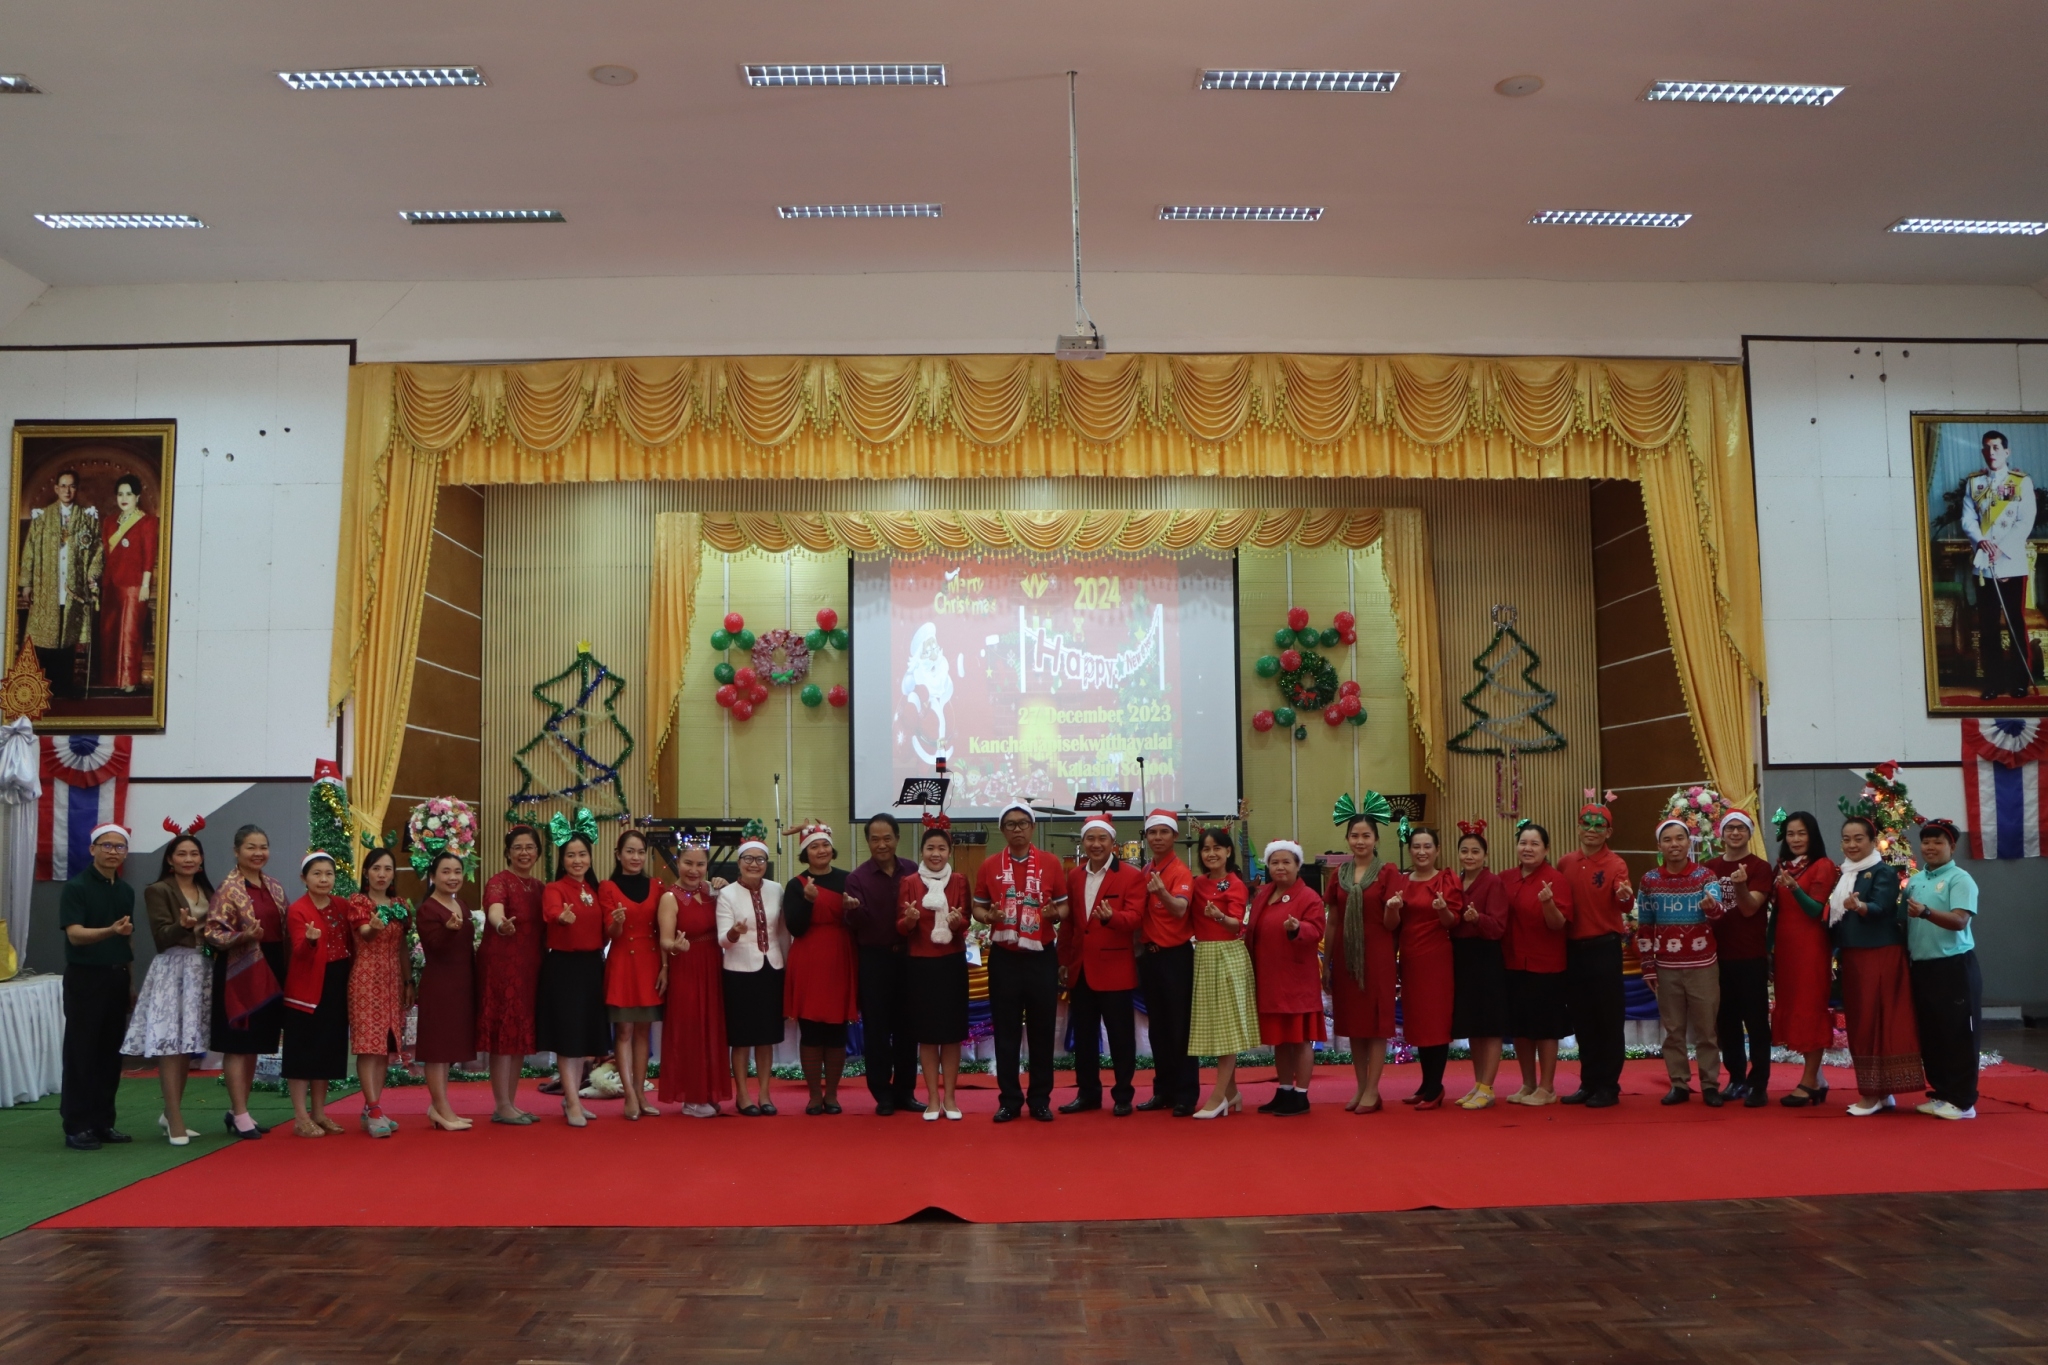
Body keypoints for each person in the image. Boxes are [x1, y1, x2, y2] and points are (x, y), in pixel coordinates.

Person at [972, 801, 1069, 1123]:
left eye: (1023, 823)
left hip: (1041, 956)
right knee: (1007, 1032)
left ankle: (1040, 1100)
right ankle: (1010, 1101)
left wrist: (1054, 914)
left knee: (1042, 1032)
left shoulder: (1050, 862)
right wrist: (988, 917)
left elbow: (1064, 906)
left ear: (1032, 828)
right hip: (1005, 959)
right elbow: (978, 908)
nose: (1017, 829)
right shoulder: (990, 865)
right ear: (1002, 830)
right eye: (1011, 824)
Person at [122, 827, 213, 1146]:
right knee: (171, 1046)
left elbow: (215, 933)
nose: (189, 859)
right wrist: (182, 926)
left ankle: (168, 1113)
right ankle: (175, 1118)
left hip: (202, 970)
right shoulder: (158, 890)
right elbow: (161, 937)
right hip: (173, 969)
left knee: (188, 1046)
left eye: (194, 854)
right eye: (181, 854)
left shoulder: (207, 889)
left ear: (202, 859)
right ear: (170, 860)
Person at [1831, 815, 1923, 1116]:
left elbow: (1882, 907)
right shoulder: (1845, 873)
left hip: (1879, 955)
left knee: (1874, 1021)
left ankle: (1873, 1095)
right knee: (1862, 1022)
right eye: (1847, 839)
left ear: (1873, 841)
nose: (1852, 844)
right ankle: (1880, 1093)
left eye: (1859, 839)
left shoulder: (1883, 871)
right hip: (1855, 956)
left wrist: (1860, 906)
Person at [202, 825, 289, 1140]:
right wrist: (243, 936)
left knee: (255, 1045)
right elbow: (212, 933)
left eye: (263, 847)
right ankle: (239, 1113)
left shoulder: (274, 886)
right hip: (239, 974)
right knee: (238, 1046)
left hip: (271, 969)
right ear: (236, 851)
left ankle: (240, 1111)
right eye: (251, 847)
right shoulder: (228, 889)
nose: (258, 853)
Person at [1637, 818, 1729, 1106]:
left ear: (1689, 842)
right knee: (1673, 1031)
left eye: (1680, 838)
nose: (1674, 844)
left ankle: (1710, 1085)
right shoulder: (1649, 880)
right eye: (1667, 840)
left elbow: (1719, 912)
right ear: (1659, 846)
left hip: (1703, 966)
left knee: (1706, 1031)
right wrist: (1647, 965)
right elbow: (1644, 926)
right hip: (1666, 969)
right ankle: (1678, 1083)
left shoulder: (1705, 876)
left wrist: (1711, 907)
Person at [1058, 816, 1146, 1116]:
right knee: (1084, 1037)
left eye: (1102, 838)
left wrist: (1112, 917)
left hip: (1115, 968)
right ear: (1083, 842)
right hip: (1081, 968)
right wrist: (1064, 960)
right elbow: (1070, 924)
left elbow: (1136, 918)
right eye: (1090, 839)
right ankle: (1088, 1094)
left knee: (1121, 1036)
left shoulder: (1131, 876)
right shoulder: (1074, 876)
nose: (1096, 844)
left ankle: (1123, 1095)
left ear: (1113, 843)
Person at [59, 823, 134, 1150]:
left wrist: (130, 981)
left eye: (119, 846)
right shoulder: (76, 888)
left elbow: (127, 939)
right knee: (81, 1052)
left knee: (110, 1053)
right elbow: (75, 935)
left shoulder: (126, 891)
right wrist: (110, 931)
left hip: (117, 978)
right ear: (92, 849)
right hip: (85, 978)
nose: (113, 851)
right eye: (106, 845)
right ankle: (77, 1126)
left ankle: (103, 1122)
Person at [844, 813, 924, 1115]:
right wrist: (852, 910)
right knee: (876, 1031)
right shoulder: (857, 878)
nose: (881, 844)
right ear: (867, 842)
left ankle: (905, 1092)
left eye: (887, 838)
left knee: (908, 1028)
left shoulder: (913, 870)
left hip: (909, 957)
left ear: (897, 839)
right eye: (875, 839)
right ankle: (882, 1095)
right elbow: (856, 925)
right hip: (874, 960)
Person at [1557, 792, 1633, 1108]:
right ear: (1578, 827)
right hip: (1574, 951)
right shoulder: (1565, 863)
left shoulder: (1616, 864)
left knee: (1608, 1020)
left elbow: (1624, 901)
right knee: (1583, 1019)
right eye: (1586, 823)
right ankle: (1588, 1082)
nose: (1591, 829)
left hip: (1604, 949)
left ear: (1608, 831)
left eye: (1598, 825)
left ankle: (1608, 1086)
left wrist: (1626, 896)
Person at [1905, 818, 1981, 1120]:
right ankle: (1941, 1094)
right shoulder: (1914, 881)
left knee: (1958, 1034)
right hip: (1923, 968)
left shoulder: (1960, 879)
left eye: (1938, 842)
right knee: (1933, 1034)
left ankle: (1963, 1102)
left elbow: (1960, 920)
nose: (1930, 847)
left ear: (1952, 847)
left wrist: (1926, 912)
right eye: (1926, 842)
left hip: (1954, 967)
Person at [783, 824, 860, 1115]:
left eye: (825, 845)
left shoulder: (848, 879)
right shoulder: (796, 884)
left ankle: (833, 1095)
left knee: (836, 1031)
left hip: (839, 957)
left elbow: (859, 924)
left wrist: (852, 910)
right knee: (812, 1031)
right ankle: (815, 1095)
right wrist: (808, 901)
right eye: (814, 846)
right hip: (809, 959)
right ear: (806, 852)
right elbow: (795, 927)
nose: (821, 850)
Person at [1327, 808, 1400, 1113]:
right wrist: (1327, 963)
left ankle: (1373, 1088)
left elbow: (1393, 924)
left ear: (1376, 839)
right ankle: (1360, 1086)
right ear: (1347, 839)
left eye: (1366, 836)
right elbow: (1333, 920)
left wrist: (1393, 908)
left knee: (1376, 1023)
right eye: (1354, 835)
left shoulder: (1388, 872)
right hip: (1347, 956)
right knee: (1356, 1023)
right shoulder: (1339, 874)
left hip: (1378, 955)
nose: (1360, 841)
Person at [899, 818, 971, 1121]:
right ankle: (931, 1099)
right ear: (922, 851)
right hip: (920, 965)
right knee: (927, 1036)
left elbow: (965, 920)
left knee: (951, 1035)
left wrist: (957, 924)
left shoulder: (960, 881)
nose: (936, 853)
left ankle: (950, 1098)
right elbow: (900, 927)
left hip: (951, 963)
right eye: (930, 848)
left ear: (949, 851)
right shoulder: (909, 882)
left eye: (942, 848)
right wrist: (911, 920)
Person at [1385, 826, 1461, 1109]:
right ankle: (1426, 1083)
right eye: (1416, 846)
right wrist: (1392, 909)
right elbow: (1391, 926)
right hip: (1410, 958)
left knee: (1435, 1022)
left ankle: (1435, 1087)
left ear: (1437, 850)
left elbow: (1452, 922)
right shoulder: (1401, 882)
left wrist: (1442, 909)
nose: (1421, 852)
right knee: (1417, 1021)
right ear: (1409, 850)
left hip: (1436, 959)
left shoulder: (1446, 879)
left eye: (1427, 846)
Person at [1248, 840, 1326, 1115]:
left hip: (1296, 980)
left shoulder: (1309, 897)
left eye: (1286, 862)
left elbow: (1316, 930)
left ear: (1298, 865)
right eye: (1274, 862)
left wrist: (1297, 928)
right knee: (1279, 1040)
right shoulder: (1263, 894)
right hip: (1270, 980)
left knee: (1300, 1039)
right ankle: (1284, 1090)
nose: (1280, 867)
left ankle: (1301, 1095)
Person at [1498, 823, 1574, 1105]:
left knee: (1545, 1028)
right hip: (1512, 962)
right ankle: (1528, 1083)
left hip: (1546, 965)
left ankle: (1547, 1087)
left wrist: (1548, 903)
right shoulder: (1505, 878)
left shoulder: (1555, 880)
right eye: (1523, 843)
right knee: (1521, 1027)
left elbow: (1558, 925)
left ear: (1546, 849)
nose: (1527, 848)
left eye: (1534, 844)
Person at [538, 830, 609, 1127]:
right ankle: (573, 1102)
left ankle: (572, 1099)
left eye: (582, 854)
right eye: (571, 855)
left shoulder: (595, 890)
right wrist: (561, 918)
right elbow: (552, 912)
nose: (577, 860)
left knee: (582, 1038)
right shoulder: (554, 888)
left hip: (592, 967)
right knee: (569, 1038)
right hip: (565, 968)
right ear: (562, 860)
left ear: (590, 857)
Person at [477, 825, 547, 1126]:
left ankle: (511, 1103)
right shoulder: (499, 881)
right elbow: (495, 909)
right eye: (517, 847)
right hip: (502, 968)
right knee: (503, 1034)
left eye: (529, 847)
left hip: (530, 969)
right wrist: (500, 923)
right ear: (507, 852)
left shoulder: (540, 888)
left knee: (519, 1035)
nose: (524, 853)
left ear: (538, 852)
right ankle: (502, 1105)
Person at [281, 852, 354, 1138]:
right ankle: (301, 1117)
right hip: (307, 988)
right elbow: (299, 951)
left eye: (329, 873)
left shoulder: (341, 905)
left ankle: (320, 1113)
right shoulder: (298, 910)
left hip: (336, 983)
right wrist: (311, 942)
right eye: (317, 874)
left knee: (327, 1050)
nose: (324, 879)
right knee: (302, 1052)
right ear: (304, 878)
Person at [656, 842, 731, 1118]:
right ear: (677, 863)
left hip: (713, 965)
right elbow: (665, 940)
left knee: (711, 1028)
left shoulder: (711, 890)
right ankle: (691, 1097)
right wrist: (675, 947)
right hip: (686, 966)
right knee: (690, 1030)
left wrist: (725, 887)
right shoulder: (670, 897)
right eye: (688, 863)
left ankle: (708, 1092)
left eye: (700, 864)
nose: (694, 870)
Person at [1705, 810, 1774, 1106]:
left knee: (1756, 1023)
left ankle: (1758, 1084)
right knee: (1726, 1023)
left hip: (1750, 957)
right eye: (1730, 828)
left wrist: (1740, 885)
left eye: (1741, 828)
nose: (1735, 833)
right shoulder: (1709, 867)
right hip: (1716, 958)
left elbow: (1749, 909)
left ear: (1749, 833)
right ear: (1721, 833)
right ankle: (1736, 1079)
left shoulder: (1760, 867)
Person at [1962, 429, 2036, 699]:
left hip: (2011, 564)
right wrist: (1982, 541)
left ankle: (2020, 681)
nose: (1991, 452)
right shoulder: (1975, 483)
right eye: (1986, 448)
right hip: (1984, 565)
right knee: (1988, 625)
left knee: (2015, 622)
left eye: (1995, 447)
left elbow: (2025, 521)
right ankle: (1994, 682)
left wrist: (2001, 549)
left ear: (2006, 451)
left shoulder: (2021, 482)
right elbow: (1967, 519)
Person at [1187, 826, 1255, 1119]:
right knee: (1216, 1026)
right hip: (1204, 955)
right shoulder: (1197, 883)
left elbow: (1237, 924)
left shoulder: (1236, 884)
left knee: (1226, 1029)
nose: (1211, 853)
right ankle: (1231, 1093)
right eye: (1206, 848)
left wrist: (1219, 917)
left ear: (1228, 851)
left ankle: (1217, 1098)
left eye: (1217, 847)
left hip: (1227, 955)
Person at [1770, 812, 1838, 1107]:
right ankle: (1819, 1079)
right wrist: (1768, 948)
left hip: (1810, 948)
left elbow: (1814, 910)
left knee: (1809, 1009)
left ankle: (1809, 1081)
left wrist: (1794, 888)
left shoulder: (1823, 866)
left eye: (1802, 833)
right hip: (1786, 950)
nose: (1795, 839)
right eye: (1790, 834)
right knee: (1794, 1008)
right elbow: (1777, 914)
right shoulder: (1783, 867)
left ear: (1813, 835)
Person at [16, 468, 103, 697]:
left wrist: (92, 576)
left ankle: (64, 686)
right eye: (63, 486)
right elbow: (29, 551)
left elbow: (97, 550)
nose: (67, 490)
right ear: (56, 489)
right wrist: (26, 583)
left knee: (68, 636)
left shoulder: (87, 518)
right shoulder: (42, 518)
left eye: (71, 486)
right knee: (47, 636)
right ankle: (45, 686)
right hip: (47, 586)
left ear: (77, 489)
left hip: (74, 589)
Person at [718, 839, 789, 1116]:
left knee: (766, 1036)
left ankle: (765, 1094)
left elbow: (782, 932)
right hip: (739, 972)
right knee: (742, 1038)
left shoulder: (776, 889)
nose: (754, 864)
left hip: (772, 969)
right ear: (739, 863)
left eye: (760, 859)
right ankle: (743, 1095)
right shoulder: (727, 894)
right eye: (748, 859)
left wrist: (787, 964)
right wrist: (734, 933)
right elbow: (723, 940)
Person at [1135, 809, 1199, 1115]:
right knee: (1157, 1029)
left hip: (1176, 958)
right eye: (1152, 832)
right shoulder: (1146, 870)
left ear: (1174, 836)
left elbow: (1179, 910)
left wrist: (1161, 891)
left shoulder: (1180, 872)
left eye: (1163, 832)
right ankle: (1163, 1091)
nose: (1157, 838)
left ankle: (1186, 1094)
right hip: (1150, 958)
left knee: (1179, 1028)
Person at [347, 846, 411, 1137]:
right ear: (366, 873)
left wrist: (408, 982)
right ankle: (373, 1109)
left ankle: (372, 1108)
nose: (382, 874)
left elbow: (402, 947)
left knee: (384, 1046)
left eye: (387, 869)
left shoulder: (400, 904)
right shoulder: (359, 901)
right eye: (376, 868)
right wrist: (374, 926)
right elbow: (365, 935)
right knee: (368, 1045)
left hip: (392, 981)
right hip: (365, 978)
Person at [601, 829, 664, 1120]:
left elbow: (664, 927)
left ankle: (640, 1092)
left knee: (643, 1031)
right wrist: (616, 923)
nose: (636, 857)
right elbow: (609, 933)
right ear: (618, 855)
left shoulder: (657, 886)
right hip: (622, 963)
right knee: (624, 1030)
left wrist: (665, 967)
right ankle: (628, 1094)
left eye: (640, 852)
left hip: (650, 963)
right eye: (630, 851)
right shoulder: (608, 887)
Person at [416, 850, 478, 1131]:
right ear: (433, 876)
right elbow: (435, 947)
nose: (453, 877)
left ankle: (438, 1107)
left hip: (462, 984)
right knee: (437, 1050)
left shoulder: (461, 904)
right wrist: (449, 930)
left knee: (450, 1047)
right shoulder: (428, 909)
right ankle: (442, 1109)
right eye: (446, 871)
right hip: (439, 985)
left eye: (457, 871)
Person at [1449, 821, 1509, 1109]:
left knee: (1490, 1024)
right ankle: (1477, 1083)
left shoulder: (1493, 882)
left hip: (1486, 956)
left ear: (1485, 855)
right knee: (1473, 1024)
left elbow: (1499, 926)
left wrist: (1478, 920)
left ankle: (1488, 1086)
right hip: (1462, 957)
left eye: (1475, 851)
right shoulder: (1454, 882)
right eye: (1464, 851)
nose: (1469, 856)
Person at [96, 473, 158, 692]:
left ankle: (129, 681)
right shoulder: (109, 522)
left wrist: (145, 585)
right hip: (111, 585)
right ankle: (112, 680)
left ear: (137, 497)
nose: (124, 498)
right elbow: (105, 554)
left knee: (130, 633)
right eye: (120, 494)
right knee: (110, 633)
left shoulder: (148, 522)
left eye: (129, 494)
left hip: (134, 586)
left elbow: (149, 556)